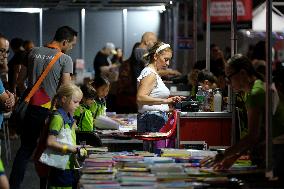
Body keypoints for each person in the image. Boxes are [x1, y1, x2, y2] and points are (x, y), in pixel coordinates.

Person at [9, 25, 77, 189]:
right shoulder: (64, 59)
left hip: (31, 107)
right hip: (50, 111)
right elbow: (66, 90)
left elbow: (20, 81)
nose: (71, 48)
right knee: (50, 149)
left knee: (25, 149)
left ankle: (13, 185)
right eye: (72, 45)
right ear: (64, 42)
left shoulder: (31, 52)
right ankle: (45, 186)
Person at [206, 54, 266, 170]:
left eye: (229, 77)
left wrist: (224, 155)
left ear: (242, 73)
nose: (228, 82)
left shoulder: (255, 93)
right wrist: (234, 157)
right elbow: (257, 135)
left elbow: (253, 136)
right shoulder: (257, 87)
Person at [136, 42, 184, 145]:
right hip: (152, 119)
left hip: (153, 118)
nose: (167, 64)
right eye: (165, 59)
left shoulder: (152, 73)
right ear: (155, 56)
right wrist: (165, 101)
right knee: (154, 156)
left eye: (169, 60)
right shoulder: (150, 74)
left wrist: (167, 104)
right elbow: (140, 97)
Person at [46, 83, 84, 188]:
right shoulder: (58, 118)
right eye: (75, 102)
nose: (78, 105)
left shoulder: (67, 117)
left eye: (79, 102)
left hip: (67, 165)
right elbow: (50, 142)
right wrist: (70, 148)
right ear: (64, 99)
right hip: (60, 167)